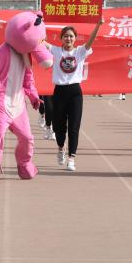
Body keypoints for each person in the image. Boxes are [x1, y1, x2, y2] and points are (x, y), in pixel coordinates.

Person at [45, 19, 104, 171]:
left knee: (74, 127)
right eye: (65, 36)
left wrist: (98, 25)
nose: (68, 38)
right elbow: (40, 41)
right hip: (59, 92)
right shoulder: (56, 51)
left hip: (75, 93)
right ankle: (61, 147)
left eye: (71, 36)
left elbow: (91, 40)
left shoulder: (80, 52)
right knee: (58, 126)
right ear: (61, 38)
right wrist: (36, 25)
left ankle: (72, 158)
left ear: (75, 38)